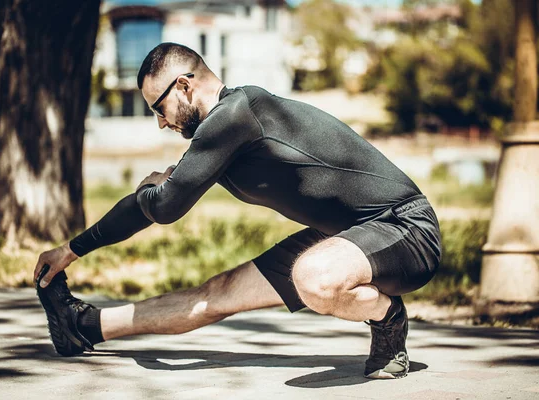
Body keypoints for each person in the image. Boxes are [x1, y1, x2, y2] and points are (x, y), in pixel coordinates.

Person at [34, 42, 441, 379]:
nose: (160, 123)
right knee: (216, 295)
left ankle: (388, 317)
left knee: (313, 276)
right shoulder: (223, 133)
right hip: (345, 235)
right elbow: (148, 208)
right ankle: (83, 326)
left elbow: (164, 205)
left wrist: (153, 191)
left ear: (183, 87)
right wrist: (69, 251)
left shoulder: (235, 115)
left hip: (405, 228)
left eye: (159, 108)